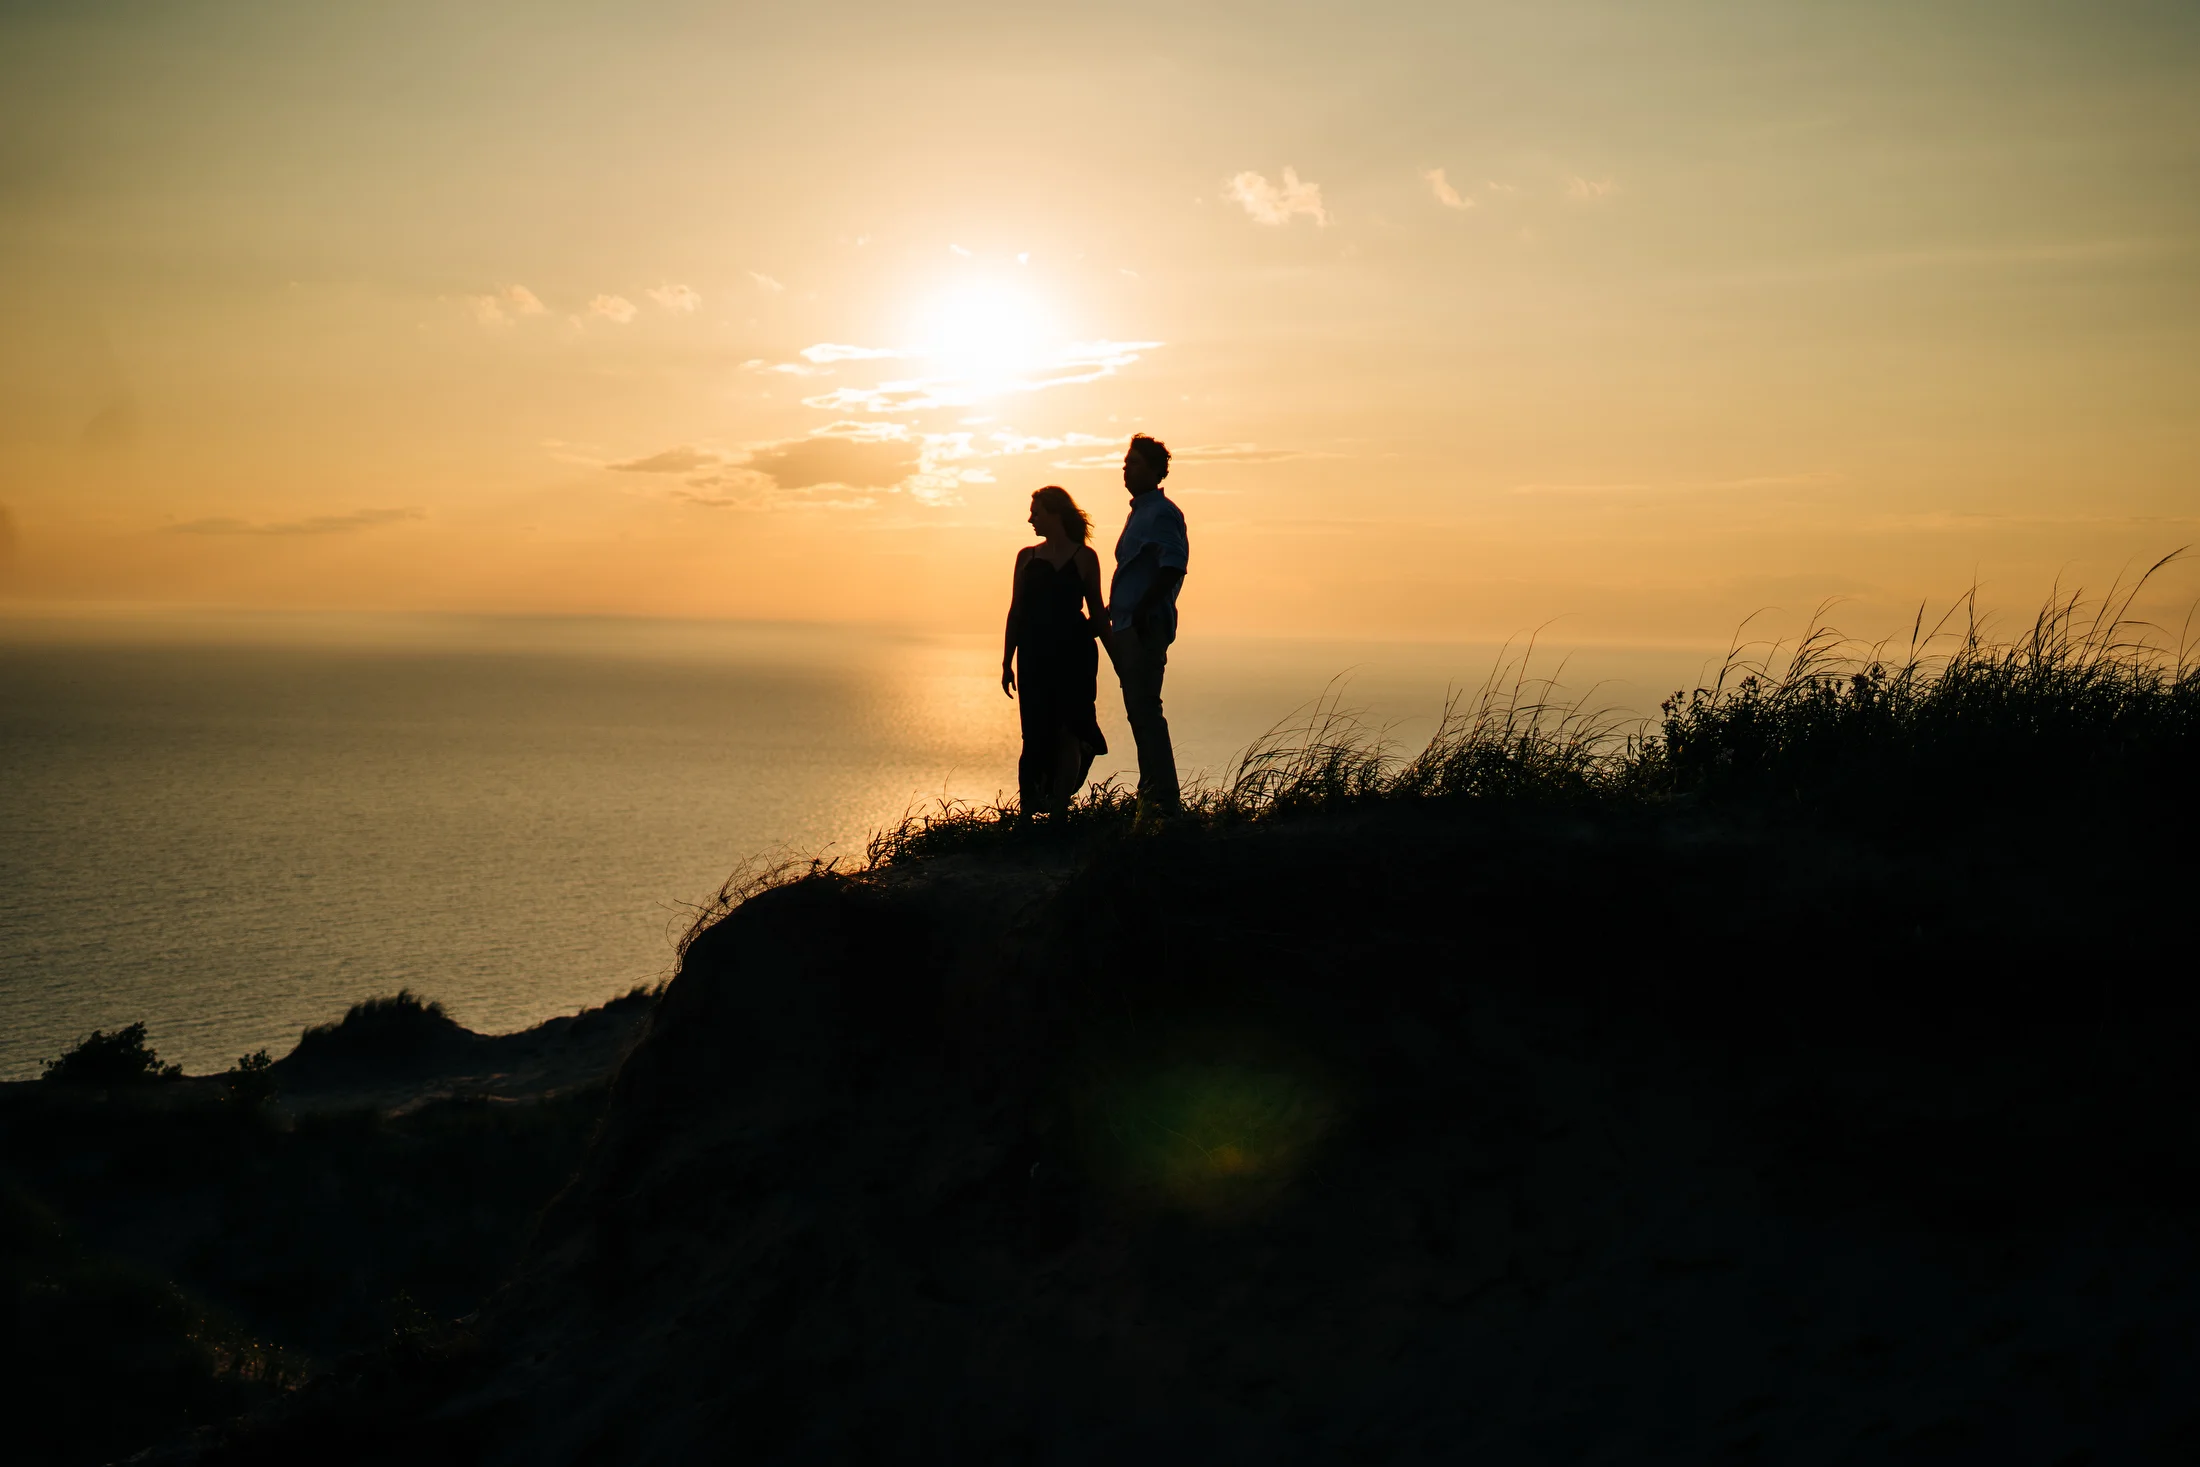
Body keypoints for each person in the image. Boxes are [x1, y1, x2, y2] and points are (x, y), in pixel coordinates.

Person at [1001, 485, 1110, 823]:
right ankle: (1027, 813)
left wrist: (1118, 660)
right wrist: (1007, 661)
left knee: (1070, 730)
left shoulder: (1084, 558)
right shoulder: (1027, 557)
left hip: (1074, 658)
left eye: (1036, 511)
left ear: (1055, 513)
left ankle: (1059, 813)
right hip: (1033, 656)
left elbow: (1097, 614)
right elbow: (1016, 611)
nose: (1030, 518)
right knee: (1033, 735)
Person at [1106, 434, 1187, 817]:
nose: (1126, 468)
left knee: (1145, 709)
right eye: (1126, 462)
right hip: (1127, 624)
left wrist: (1141, 611)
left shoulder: (1160, 512)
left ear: (1155, 470)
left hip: (1144, 626)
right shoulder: (1139, 512)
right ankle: (1152, 793)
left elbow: (1173, 565)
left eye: (1134, 462)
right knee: (1138, 709)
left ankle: (1163, 799)